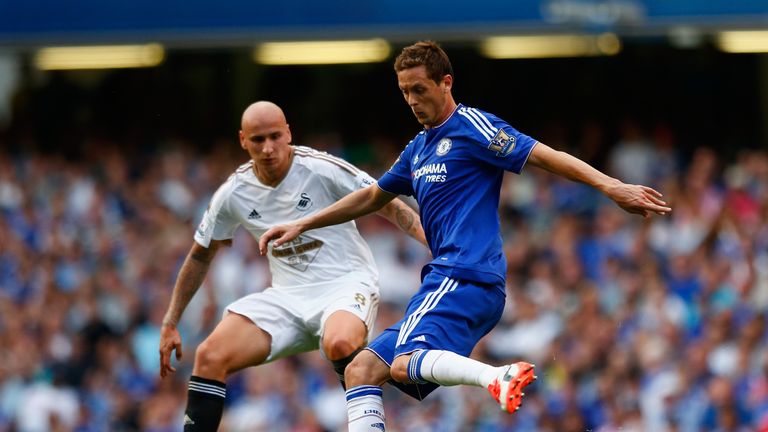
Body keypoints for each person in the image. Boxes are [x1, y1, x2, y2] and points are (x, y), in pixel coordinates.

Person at [259, 41, 672, 431]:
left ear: (445, 83)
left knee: (403, 363)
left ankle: (498, 375)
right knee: (361, 371)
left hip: (464, 275)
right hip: (455, 280)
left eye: (419, 89)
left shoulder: (472, 127)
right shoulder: (418, 148)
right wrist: (302, 223)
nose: (412, 101)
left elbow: (545, 156)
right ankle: (491, 376)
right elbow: (372, 196)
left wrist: (610, 186)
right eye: (404, 92)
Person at [158, 101, 426, 432]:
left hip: (345, 285)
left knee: (340, 343)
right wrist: (171, 321)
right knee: (209, 355)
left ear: (288, 133)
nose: (268, 148)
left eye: (274, 136)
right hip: (287, 297)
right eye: (258, 140)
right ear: (243, 140)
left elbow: (386, 203)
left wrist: (440, 247)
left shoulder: (321, 169)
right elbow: (200, 254)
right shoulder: (234, 193)